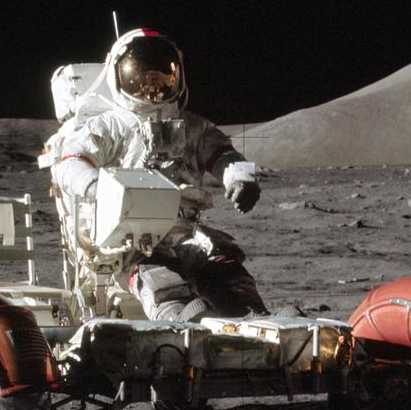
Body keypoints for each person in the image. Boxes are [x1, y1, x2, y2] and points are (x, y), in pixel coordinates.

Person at [50, 28, 266, 321]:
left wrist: (240, 178)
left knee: (221, 265)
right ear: (119, 78)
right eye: (141, 80)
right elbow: (71, 161)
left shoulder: (192, 127)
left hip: (183, 231)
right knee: (161, 279)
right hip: (129, 239)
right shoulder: (108, 126)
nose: (152, 88)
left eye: (162, 78)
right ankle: (178, 320)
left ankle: (252, 317)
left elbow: (223, 154)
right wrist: (93, 186)